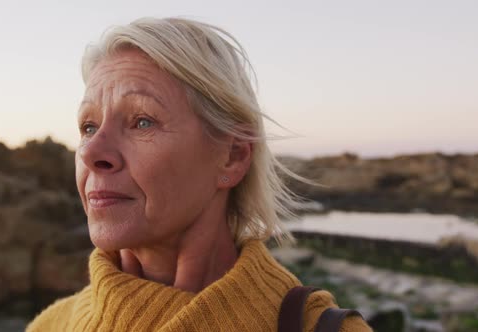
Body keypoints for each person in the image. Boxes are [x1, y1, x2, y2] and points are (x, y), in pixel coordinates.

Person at [27, 17, 371, 332]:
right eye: (88, 126)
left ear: (232, 157)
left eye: (142, 121)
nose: (90, 152)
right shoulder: (50, 326)